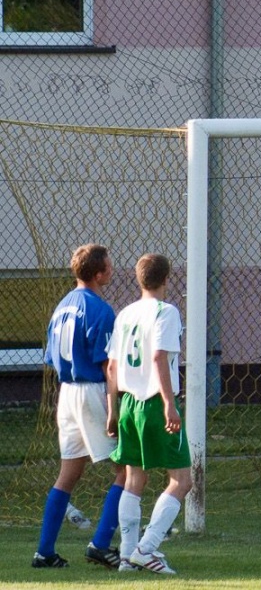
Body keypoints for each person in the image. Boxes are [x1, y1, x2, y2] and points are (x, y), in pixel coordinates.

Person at [33, 243, 126, 569]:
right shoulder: (100, 310)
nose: (112, 269)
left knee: (68, 474)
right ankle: (100, 544)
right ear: (98, 274)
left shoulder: (62, 306)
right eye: (109, 266)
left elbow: (52, 357)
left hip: (67, 393)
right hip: (91, 391)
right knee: (127, 470)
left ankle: (44, 552)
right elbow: (107, 365)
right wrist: (114, 407)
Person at [107, 253, 192, 574]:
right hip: (155, 403)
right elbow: (158, 357)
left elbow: (112, 366)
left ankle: (127, 556)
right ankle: (147, 548)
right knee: (182, 480)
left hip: (128, 403)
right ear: (167, 279)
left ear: (138, 278)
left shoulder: (126, 313)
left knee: (134, 477)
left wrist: (113, 410)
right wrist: (169, 403)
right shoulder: (165, 311)